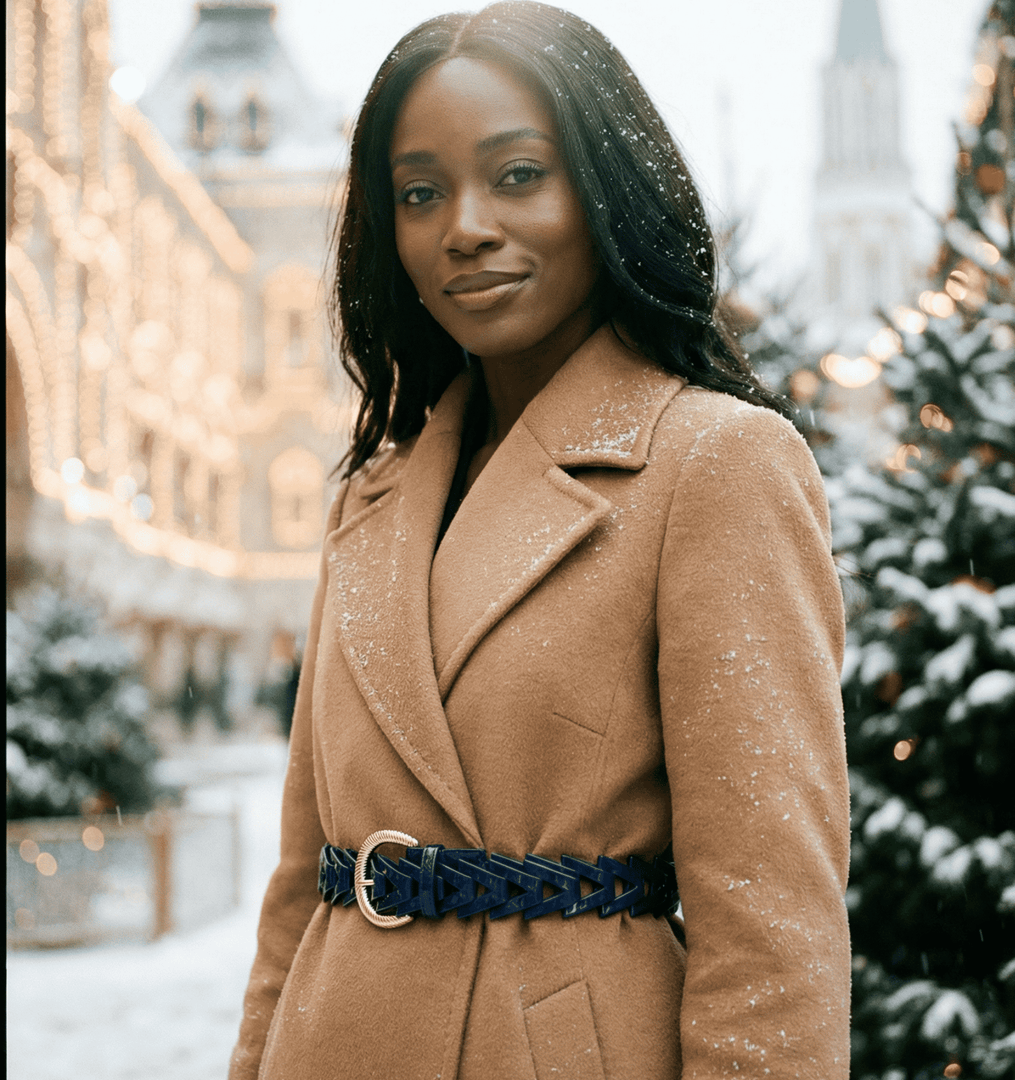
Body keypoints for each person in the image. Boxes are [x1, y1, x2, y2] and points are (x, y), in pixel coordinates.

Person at [229, 3, 850, 1078]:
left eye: (518, 175)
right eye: (419, 192)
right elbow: (300, 886)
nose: (463, 224)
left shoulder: (717, 465)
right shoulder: (371, 496)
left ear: (605, 192)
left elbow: (772, 926)